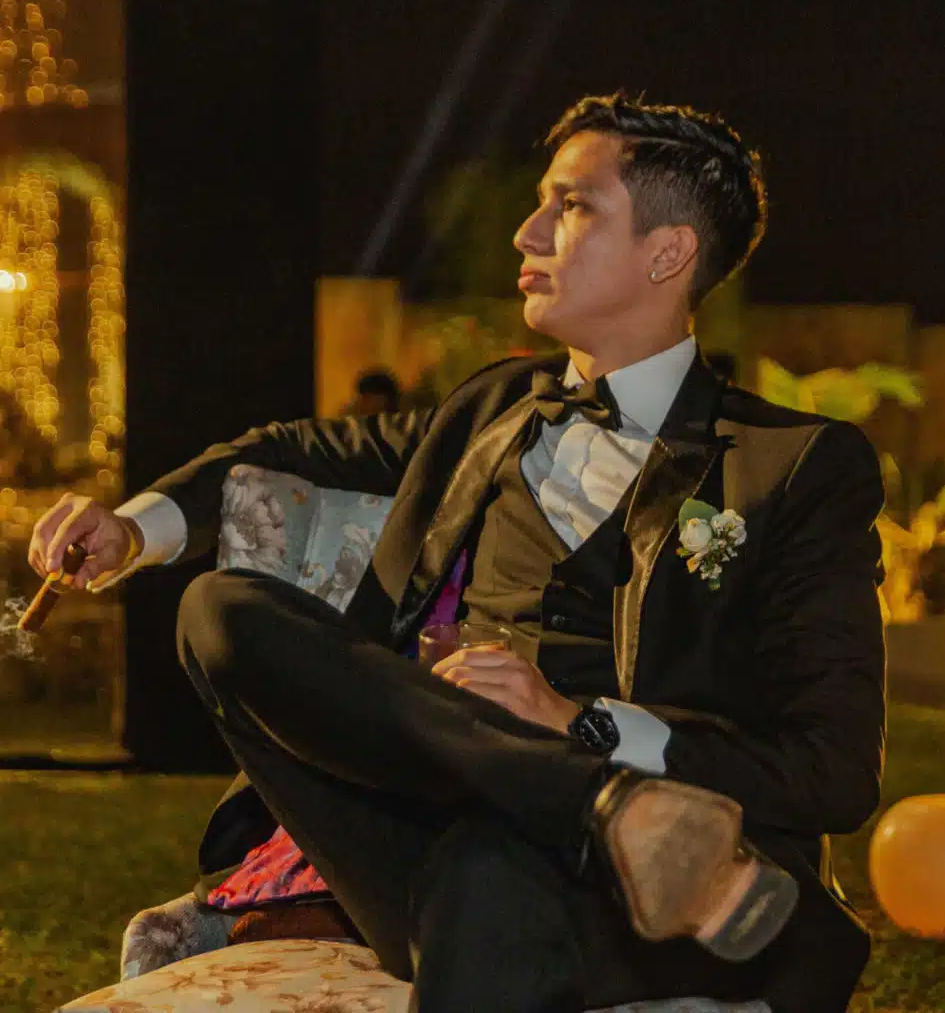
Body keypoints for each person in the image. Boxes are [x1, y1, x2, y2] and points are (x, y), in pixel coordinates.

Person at [29, 92, 886, 1012]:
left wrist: (582, 723)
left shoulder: (794, 466)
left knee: (486, 878)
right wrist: (134, 528)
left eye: (571, 206)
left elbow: (832, 771)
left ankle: (626, 823)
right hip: (422, 836)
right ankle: (601, 812)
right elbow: (285, 451)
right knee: (220, 608)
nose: (527, 232)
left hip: (671, 902)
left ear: (667, 253)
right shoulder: (490, 410)